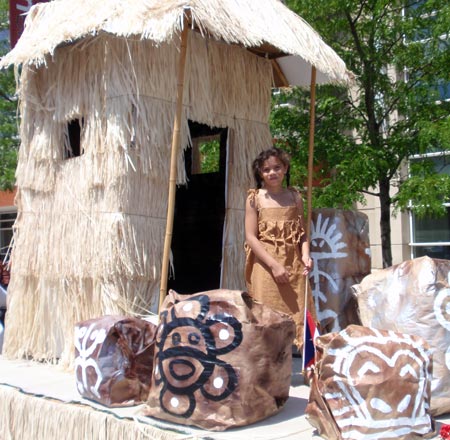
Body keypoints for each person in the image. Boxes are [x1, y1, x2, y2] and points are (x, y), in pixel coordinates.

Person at [244, 147, 317, 351]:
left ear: (285, 168)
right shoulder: (254, 198)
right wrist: (274, 266)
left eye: (277, 167)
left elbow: (302, 233)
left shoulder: (295, 197)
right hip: (267, 267)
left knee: (302, 315)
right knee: (266, 319)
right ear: (260, 172)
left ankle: (308, 371)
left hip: (293, 265)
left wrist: (306, 255)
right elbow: (251, 237)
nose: (272, 173)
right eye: (266, 169)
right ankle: (265, 374)